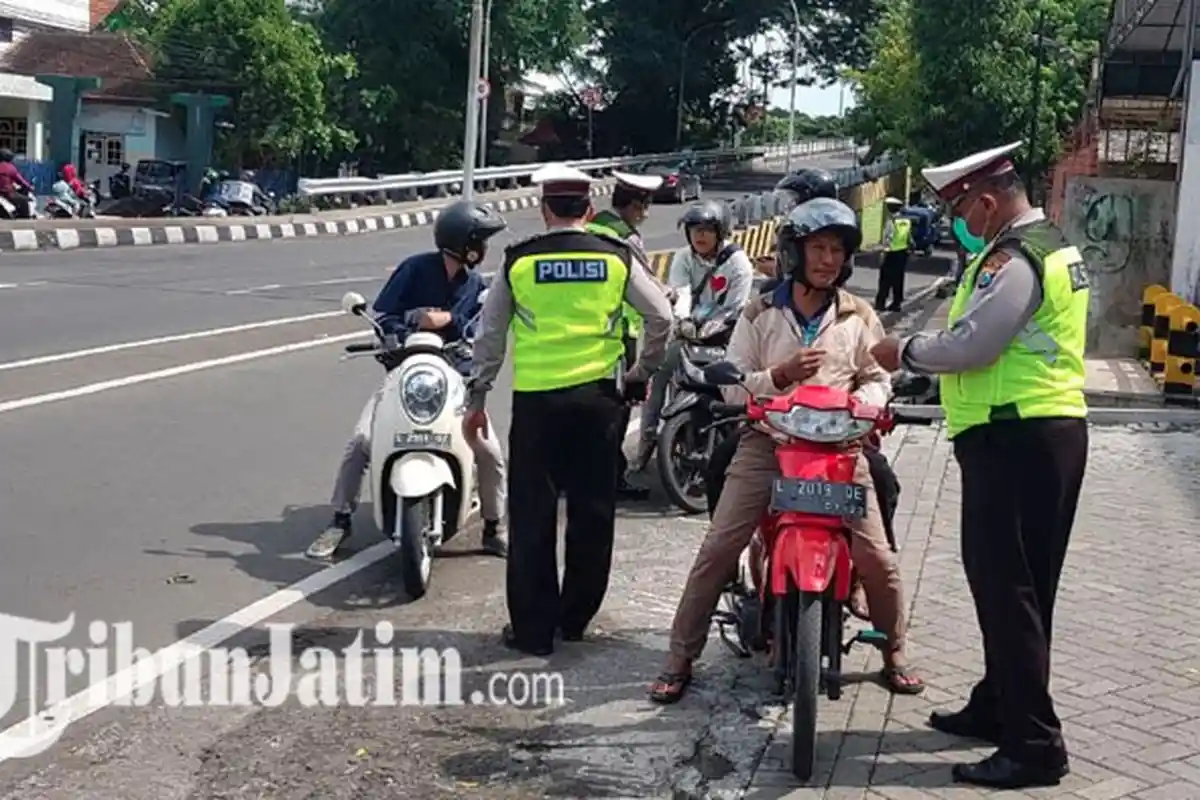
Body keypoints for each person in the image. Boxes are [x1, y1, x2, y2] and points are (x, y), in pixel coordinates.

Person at [869, 141, 1088, 790]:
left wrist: (903, 350)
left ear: (988, 201)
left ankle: (1035, 746)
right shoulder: (1050, 247)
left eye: (963, 207)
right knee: (1022, 587)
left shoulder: (1016, 259)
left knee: (1006, 588)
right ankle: (999, 704)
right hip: (1038, 433)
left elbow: (974, 345)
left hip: (1015, 437)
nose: (961, 220)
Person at [650, 196, 925, 704]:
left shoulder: (859, 314)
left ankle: (895, 654)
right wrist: (778, 377)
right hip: (770, 444)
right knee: (718, 549)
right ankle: (679, 658)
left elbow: (877, 377)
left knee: (879, 558)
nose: (829, 260)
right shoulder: (759, 312)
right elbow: (735, 385)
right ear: (794, 253)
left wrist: (862, 404)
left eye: (838, 251)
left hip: (841, 448)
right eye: (818, 248)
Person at [464, 164, 673, 656]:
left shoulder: (520, 261)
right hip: (599, 401)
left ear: (544, 210)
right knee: (593, 512)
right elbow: (660, 316)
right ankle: (575, 618)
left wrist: (477, 398)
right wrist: (641, 371)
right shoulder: (616, 257)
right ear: (586, 209)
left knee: (533, 516)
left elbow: (489, 337)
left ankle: (534, 633)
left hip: (537, 403)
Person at [306, 200, 511, 561]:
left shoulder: (476, 284)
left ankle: (495, 526)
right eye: (480, 241)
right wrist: (402, 329)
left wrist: (443, 320)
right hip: (405, 376)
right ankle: (340, 519)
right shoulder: (414, 269)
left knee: (490, 452)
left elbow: (476, 327)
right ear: (465, 243)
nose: (484, 249)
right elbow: (384, 315)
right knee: (359, 443)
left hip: (452, 381)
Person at [631, 200, 753, 470]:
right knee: (657, 377)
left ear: (721, 232)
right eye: (694, 229)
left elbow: (735, 306)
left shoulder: (738, 264)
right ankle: (645, 444)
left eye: (707, 229)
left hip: (727, 336)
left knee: (744, 385)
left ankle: (745, 445)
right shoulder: (684, 257)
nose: (700, 235)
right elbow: (682, 290)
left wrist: (714, 327)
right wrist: (684, 321)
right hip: (688, 332)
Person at [586, 170, 666, 500]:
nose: (646, 214)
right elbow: (646, 287)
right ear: (636, 205)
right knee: (618, 410)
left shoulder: (591, 226)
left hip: (588, 329)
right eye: (645, 207)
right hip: (620, 333)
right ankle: (612, 477)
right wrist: (670, 295)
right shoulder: (626, 239)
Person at [875, 197, 912, 312]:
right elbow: (909, 237)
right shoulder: (906, 220)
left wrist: (883, 253)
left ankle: (881, 303)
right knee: (898, 279)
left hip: (891, 253)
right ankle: (897, 303)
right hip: (902, 253)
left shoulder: (891, 221)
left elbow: (888, 239)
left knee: (885, 279)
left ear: (890, 208)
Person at [0, 148, 34, 218]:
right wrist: (30, 187)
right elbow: (21, 181)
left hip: (4, 193)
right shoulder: (10, 167)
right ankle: (24, 219)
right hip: (7, 193)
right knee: (25, 200)